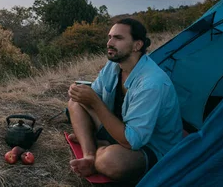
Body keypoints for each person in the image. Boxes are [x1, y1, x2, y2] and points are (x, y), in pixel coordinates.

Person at [67, 18, 183, 182]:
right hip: (122, 128)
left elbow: (132, 141)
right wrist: (83, 94)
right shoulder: (114, 64)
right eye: (109, 37)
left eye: (118, 38)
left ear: (137, 45)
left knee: (109, 161)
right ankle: (90, 156)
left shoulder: (150, 84)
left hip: (150, 146)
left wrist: (94, 102)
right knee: (75, 101)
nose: (110, 42)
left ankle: (98, 146)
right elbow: (96, 94)